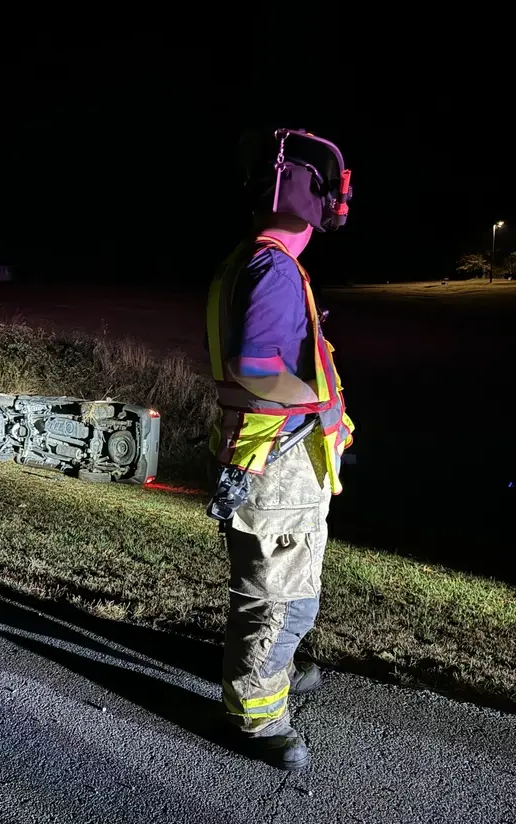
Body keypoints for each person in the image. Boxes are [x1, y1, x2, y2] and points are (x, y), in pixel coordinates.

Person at [206, 128, 354, 772]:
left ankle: (278, 668)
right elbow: (258, 367)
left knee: (279, 588)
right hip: (280, 464)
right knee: (281, 599)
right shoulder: (273, 269)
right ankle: (258, 717)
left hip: (270, 460)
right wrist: (318, 406)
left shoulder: (251, 260)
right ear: (311, 197)